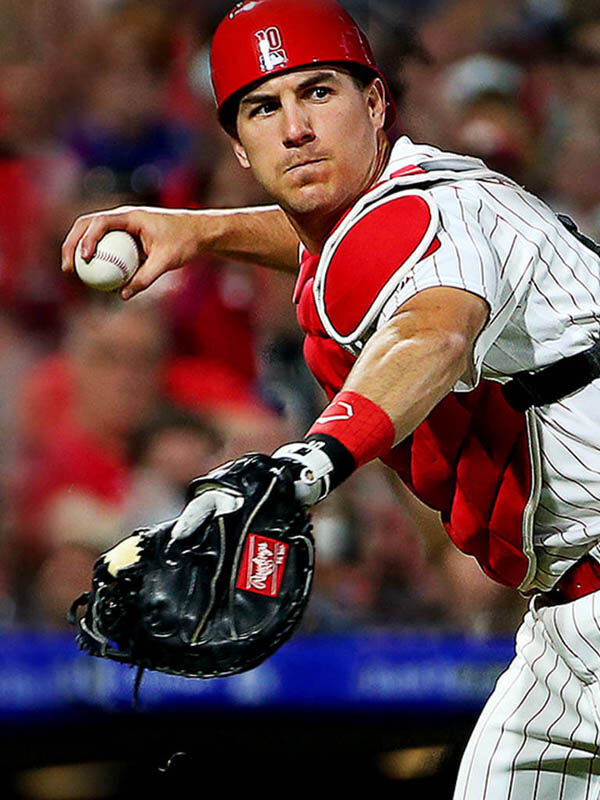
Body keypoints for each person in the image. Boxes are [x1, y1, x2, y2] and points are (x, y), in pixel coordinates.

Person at [61, 1, 600, 797]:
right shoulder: (378, 219)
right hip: (567, 626)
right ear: (239, 148)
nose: (296, 128)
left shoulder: (437, 212)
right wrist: (201, 232)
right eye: (263, 108)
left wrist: (307, 465)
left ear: (376, 104)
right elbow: (334, 239)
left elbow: (433, 333)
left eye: (319, 93)